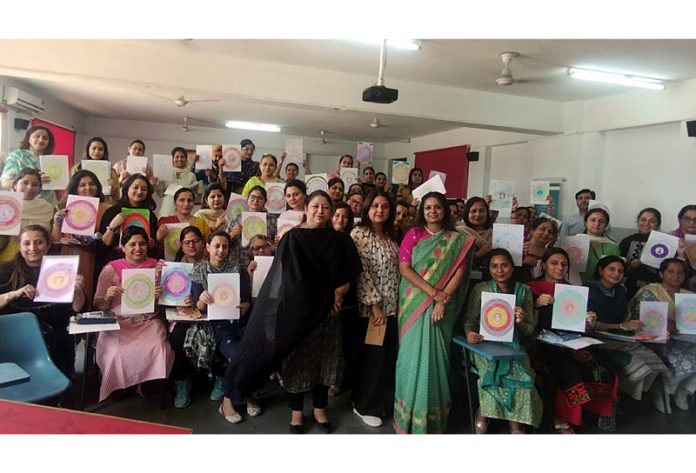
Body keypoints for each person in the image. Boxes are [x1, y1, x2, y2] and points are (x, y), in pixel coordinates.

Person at [224, 190, 361, 434]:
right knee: (297, 363)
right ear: (306, 209)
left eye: (325, 207)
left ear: (331, 212)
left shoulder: (342, 241)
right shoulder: (293, 238)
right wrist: (325, 299)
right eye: (315, 206)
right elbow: (290, 280)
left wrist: (336, 297)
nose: (320, 211)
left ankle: (320, 408)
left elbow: (349, 274)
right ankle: (297, 411)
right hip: (299, 313)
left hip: (331, 314)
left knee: (324, 363)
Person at [393, 191, 475, 434]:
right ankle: (406, 417)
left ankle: (432, 420)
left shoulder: (456, 239)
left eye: (437, 207)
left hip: (441, 308)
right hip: (413, 304)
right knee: (409, 359)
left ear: (445, 211)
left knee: (437, 360)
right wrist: (433, 293)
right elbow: (405, 269)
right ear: (422, 211)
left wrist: (441, 301)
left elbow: (459, 273)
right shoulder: (414, 234)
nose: (432, 212)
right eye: (428, 207)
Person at [527, 248, 618, 434]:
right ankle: (561, 417)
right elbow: (524, 323)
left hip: (571, 341)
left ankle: (599, 412)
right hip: (542, 342)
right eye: (554, 263)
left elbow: (580, 326)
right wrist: (535, 305)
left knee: (603, 364)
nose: (560, 267)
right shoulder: (531, 288)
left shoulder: (574, 291)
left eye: (564, 264)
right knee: (567, 368)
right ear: (543, 265)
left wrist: (589, 322)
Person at [464, 249, 542, 434]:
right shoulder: (481, 289)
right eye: (494, 266)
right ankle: (484, 414)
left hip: (513, 347)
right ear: (489, 269)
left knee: (521, 376)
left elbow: (530, 329)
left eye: (504, 265)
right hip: (484, 347)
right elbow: (470, 320)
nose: (500, 270)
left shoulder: (524, 291)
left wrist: (520, 321)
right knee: (490, 373)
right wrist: (469, 333)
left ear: (512, 267)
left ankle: (515, 423)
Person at [93, 226, 173, 401]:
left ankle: (147, 384)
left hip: (148, 322)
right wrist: (107, 296)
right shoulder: (110, 270)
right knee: (116, 352)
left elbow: (170, 301)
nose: (138, 248)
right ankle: (121, 386)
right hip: (119, 323)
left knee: (159, 347)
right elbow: (99, 304)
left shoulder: (158, 267)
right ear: (122, 247)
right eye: (132, 244)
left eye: (142, 244)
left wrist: (161, 294)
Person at [189, 230, 260, 421]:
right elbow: (198, 309)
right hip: (218, 326)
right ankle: (230, 401)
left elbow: (246, 301)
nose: (221, 250)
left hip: (241, 322)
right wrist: (202, 300)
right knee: (239, 356)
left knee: (256, 351)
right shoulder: (199, 270)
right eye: (217, 246)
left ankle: (240, 395)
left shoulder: (237, 269)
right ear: (208, 247)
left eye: (225, 246)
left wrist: (244, 306)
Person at [0, 225, 85, 377]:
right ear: (19, 247)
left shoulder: (62, 269)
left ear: (48, 245)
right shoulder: (5, 271)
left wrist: (77, 290)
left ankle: (55, 394)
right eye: (26, 243)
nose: (33, 248)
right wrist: (12, 294)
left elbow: (78, 308)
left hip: (56, 334)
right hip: (13, 336)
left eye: (39, 242)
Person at [586, 255, 669, 411]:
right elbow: (590, 324)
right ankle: (620, 398)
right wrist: (621, 326)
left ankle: (626, 397)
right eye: (612, 269)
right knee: (639, 362)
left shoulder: (621, 290)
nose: (616, 274)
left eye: (620, 271)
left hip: (619, 337)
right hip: (596, 339)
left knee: (653, 360)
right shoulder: (589, 290)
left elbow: (626, 317)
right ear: (601, 270)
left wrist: (636, 326)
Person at [349, 189, 400, 428]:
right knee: (373, 359)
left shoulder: (389, 236)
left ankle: (371, 400)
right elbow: (362, 273)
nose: (380, 210)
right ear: (367, 209)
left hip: (392, 308)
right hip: (373, 310)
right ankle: (364, 406)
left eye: (385, 206)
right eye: (375, 206)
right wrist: (375, 306)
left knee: (384, 358)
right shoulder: (360, 233)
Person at [629, 258, 696, 412]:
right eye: (671, 271)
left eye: (680, 272)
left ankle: (684, 389)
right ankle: (663, 390)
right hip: (658, 340)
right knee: (690, 357)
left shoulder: (689, 296)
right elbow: (642, 319)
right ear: (661, 274)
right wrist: (666, 323)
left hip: (686, 339)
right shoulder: (650, 292)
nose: (676, 276)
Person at [52, 170, 111, 307]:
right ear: (75, 188)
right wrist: (57, 223)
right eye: (82, 185)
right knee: (64, 297)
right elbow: (55, 241)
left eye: (92, 184)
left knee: (87, 295)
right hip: (67, 255)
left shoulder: (106, 209)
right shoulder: (65, 208)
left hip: (93, 258)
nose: (88, 188)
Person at [98, 173, 160, 274]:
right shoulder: (113, 212)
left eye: (144, 189)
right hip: (115, 265)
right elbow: (102, 245)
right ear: (127, 189)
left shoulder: (151, 215)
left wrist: (151, 244)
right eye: (135, 187)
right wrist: (112, 227)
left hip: (141, 266)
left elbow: (152, 247)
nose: (139, 192)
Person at [1, 125, 58, 203]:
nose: (41, 140)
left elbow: (57, 186)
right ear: (28, 138)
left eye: (45, 138)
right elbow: (5, 183)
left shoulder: (53, 160)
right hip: (22, 203)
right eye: (37, 136)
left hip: (48, 203)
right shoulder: (17, 156)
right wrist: (32, 183)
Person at [619, 207, 663, 297]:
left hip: (653, 290)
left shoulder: (663, 244)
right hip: (627, 288)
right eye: (643, 220)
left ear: (657, 224)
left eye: (652, 221)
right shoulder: (627, 241)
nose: (646, 224)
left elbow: (665, 269)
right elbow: (619, 264)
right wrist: (631, 265)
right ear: (638, 222)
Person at [575, 207, 620, 284]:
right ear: (586, 222)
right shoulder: (574, 242)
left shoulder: (613, 246)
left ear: (606, 225)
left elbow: (615, 269)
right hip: (576, 284)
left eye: (601, 221)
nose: (597, 224)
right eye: (593, 220)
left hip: (601, 287)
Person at [70, 137, 119, 205]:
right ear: (88, 150)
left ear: (105, 152)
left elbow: (116, 196)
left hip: (103, 204)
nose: (97, 151)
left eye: (100, 149)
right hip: (81, 204)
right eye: (94, 148)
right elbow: (71, 189)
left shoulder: (111, 171)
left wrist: (112, 187)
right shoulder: (77, 168)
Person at [458, 196, 493, 283]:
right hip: (462, 280)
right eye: (473, 211)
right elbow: (455, 259)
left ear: (487, 213)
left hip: (489, 280)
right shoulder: (459, 232)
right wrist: (479, 253)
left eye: (482, 211)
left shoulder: (495, 234)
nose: (478, 214)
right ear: (467, 213)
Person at [156, 147, 198, 217]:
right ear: (172, 158)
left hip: (184, 209)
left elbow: (194, 196)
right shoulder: (165, 172)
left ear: (186, 158)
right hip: (167, 209)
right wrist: (155, 185)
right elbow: (160, 194)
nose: (179, 159)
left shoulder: (191, 175)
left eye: (182, 157)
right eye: (177, 157)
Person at [517, 217, 558, 282]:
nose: (546, 233)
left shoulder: (551, 255)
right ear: (532, 230)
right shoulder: (519, 248)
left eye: (550, 232)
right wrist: (522, 262)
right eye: (542, 229)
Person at [12, 168, 54, 232]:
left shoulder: (46, 207)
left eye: (35, 185)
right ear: (15, 185)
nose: (30, 187)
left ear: (40, 188)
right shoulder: (5, 205)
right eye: (25, 183)